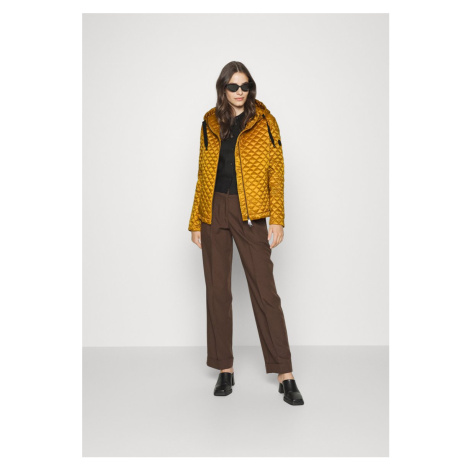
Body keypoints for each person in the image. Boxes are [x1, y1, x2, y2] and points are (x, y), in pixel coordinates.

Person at [188, 61, 304, 406]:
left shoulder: (265, 121)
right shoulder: (209, 121)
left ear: (251, 88)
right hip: (213, 210)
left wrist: (277, 218)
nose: (240, 92)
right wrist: (196, 221)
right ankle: (225, 368)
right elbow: (202, 173)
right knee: (217, 292)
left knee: (265, 293)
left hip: (251, 213)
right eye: (233, 86)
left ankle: (285, 373)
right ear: (223, 89)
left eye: (245, 86)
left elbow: (276, 172)